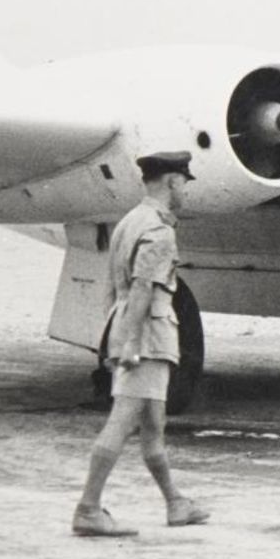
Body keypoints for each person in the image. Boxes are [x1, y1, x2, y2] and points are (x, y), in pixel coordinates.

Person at [71, 151, 211, 537]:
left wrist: (114, 334)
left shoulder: (129, 222)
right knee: (122, 422)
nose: (185, 189)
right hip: (147, 338)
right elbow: (143, 288)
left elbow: (113, 287)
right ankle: (88, 508)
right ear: (171, 182)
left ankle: (175, 503)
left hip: (134, 331)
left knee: (153, 425)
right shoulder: (158, 230)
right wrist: (131, 342)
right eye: (183, 182)